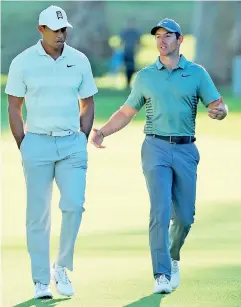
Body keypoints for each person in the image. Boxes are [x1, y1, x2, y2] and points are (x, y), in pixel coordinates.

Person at [91, 18, 227, 294]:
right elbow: (126, 112)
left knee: (185, 217)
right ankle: (162, 273)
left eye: (168, 36)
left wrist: (220, 112)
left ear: (180, 40)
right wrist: (103, 132)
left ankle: (173, 255)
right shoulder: (145, 76)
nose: (162, 41)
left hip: (187, 149)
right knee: (160, 210)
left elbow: (217, 105)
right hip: (155, 147)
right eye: (158, 36)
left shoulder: (197, 73)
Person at [5, 5, 98, 299]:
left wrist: (81, 138)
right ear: (41, 30)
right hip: (37, 143)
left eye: (64, 30)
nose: (61, 35)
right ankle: (41, 280)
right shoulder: (22, 62)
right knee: (37, 215)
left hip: (71, 144)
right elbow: (14, 106)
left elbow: (88, 103)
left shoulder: (78, 60)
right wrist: (25, 144)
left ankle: (62, 266)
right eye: (56, 30)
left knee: (74, 205)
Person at [120, 19, 141, 88]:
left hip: (132, 52)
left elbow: (138, 42)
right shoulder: (125, 32)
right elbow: (121, 42)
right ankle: (127, 83)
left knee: (131, 68)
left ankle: (129, 82)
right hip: (126, 52)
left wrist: (137, 50)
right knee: (127, 67)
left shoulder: (135, 32)